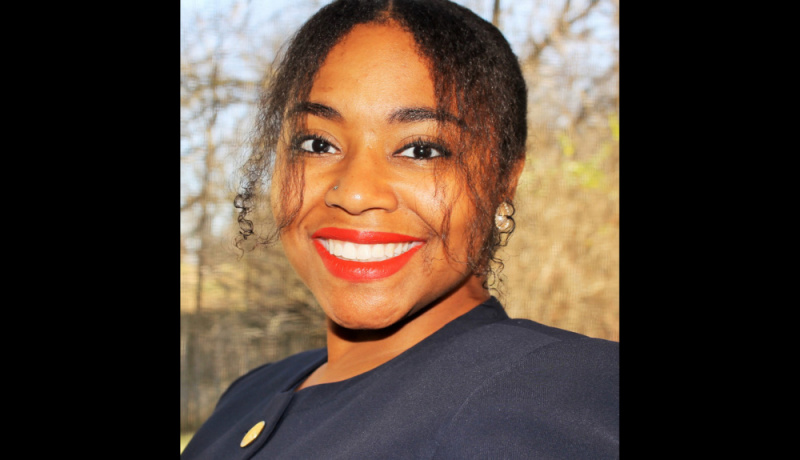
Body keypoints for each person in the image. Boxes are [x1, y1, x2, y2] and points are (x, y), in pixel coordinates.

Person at [181, 0, 618, 458]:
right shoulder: (250, 393)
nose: (353, 192)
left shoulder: (557, 390)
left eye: (421, 150)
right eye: (317, 143)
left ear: (504, 179)